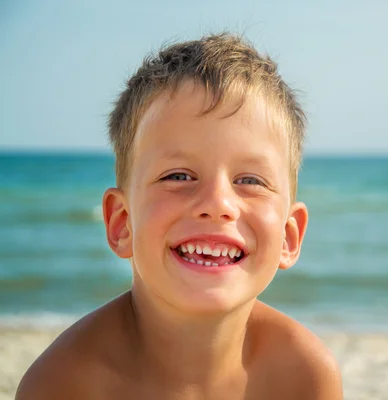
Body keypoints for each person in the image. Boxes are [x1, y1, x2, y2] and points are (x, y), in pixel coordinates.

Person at [16, 32, 343, 399]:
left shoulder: (303, 375)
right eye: (178, 176)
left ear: (289, 236)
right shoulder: (64, 385)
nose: (218, 202)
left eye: (249, 180)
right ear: (122, 223)